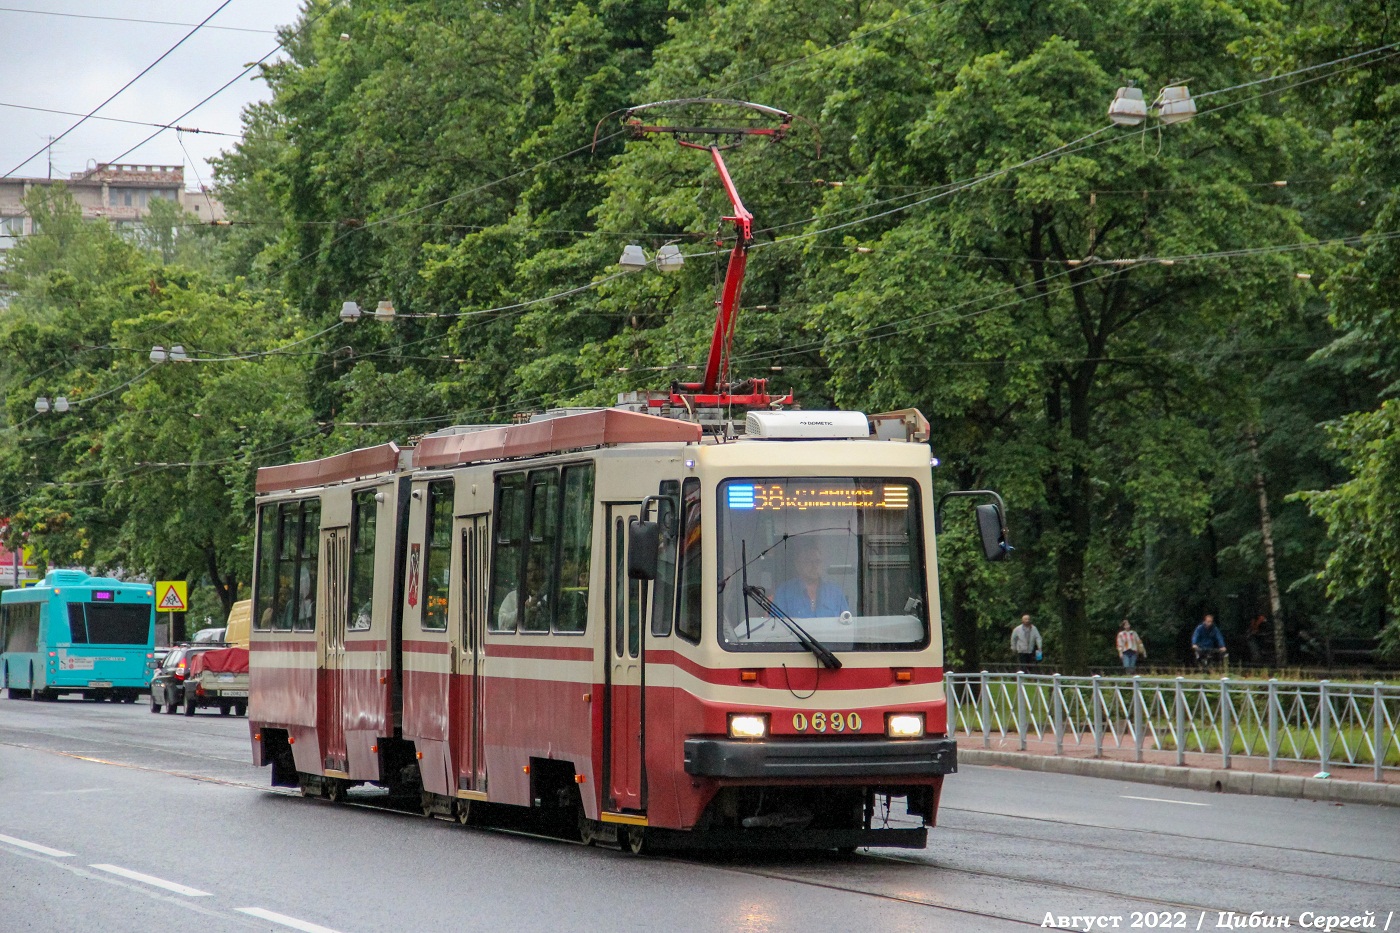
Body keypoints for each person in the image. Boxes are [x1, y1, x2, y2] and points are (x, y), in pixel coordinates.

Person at [773, 540, 850, 619]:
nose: (814, 566)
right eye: (808, 561)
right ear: (798, 565)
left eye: (817, 562)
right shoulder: (784, 593)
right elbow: (776, 626)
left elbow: (846, 623)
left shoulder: (835, 593)